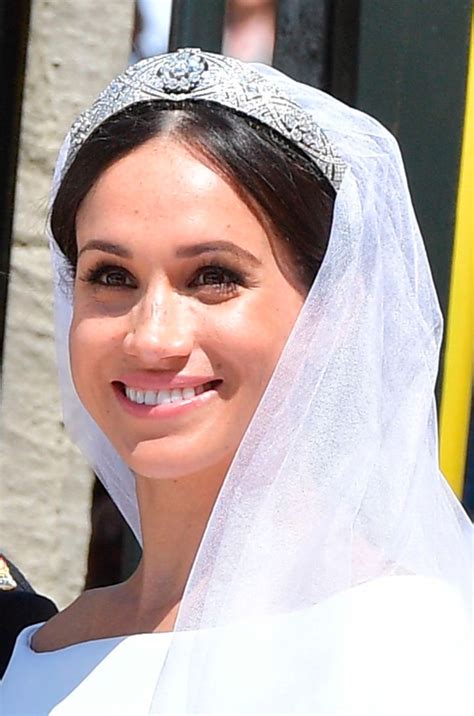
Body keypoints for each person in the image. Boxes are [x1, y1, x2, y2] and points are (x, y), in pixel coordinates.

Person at [1, 49, 471, 714]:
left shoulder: (411, 648)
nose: (152, 337)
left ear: (333, 307)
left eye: (213, 277)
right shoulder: (35, 652)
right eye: (111, 276)